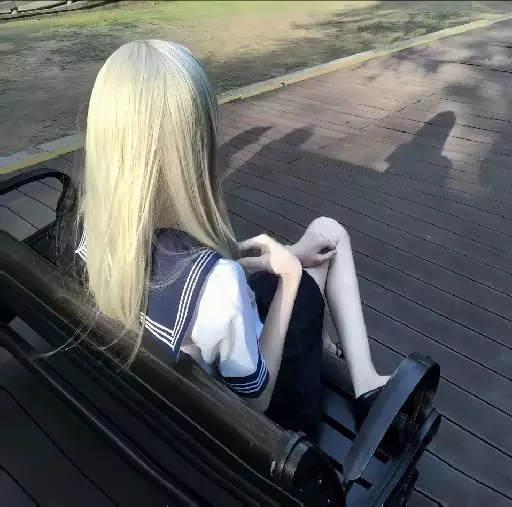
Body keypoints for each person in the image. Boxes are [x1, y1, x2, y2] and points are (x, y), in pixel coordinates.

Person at [75, 40, 391, 436]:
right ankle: (366, 383)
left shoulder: (95, 228)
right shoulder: (219, 284)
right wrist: (290, 275)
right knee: (329, 234)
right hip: (264, 420)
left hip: (171, 392)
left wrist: (265, 255)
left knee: (298, 261)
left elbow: (181, 280)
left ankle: (332, 350)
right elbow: (257, 398)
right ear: (196, 148)